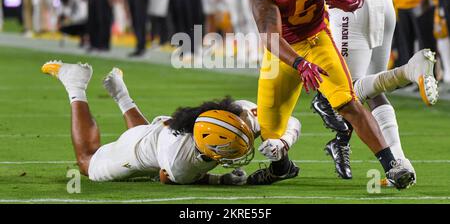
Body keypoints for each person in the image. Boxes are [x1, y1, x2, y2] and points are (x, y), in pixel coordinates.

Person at [244, 0, 414, 189]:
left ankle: (392, 165)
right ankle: (281, 168)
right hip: (285, 48)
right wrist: (300, 64)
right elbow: (271, 37)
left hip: (318, 37)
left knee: (346, 101)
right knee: (270, 125)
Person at [276, 0, 437, 184]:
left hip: (348, 0)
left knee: (344, 94)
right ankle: (399, 161)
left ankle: (410, 71)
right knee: (372, 89)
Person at [40, 61, 301, 184]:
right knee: (88, 162)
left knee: (146, 137)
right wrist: (223, 181)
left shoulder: (240, 115)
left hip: (162, 133)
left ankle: (121, 93)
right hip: (142, 151)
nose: (241, 154)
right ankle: (75, 83)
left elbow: (292, 121)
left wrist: (282, 141)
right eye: (231, 152)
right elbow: (167, 177)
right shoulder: (180, 162)